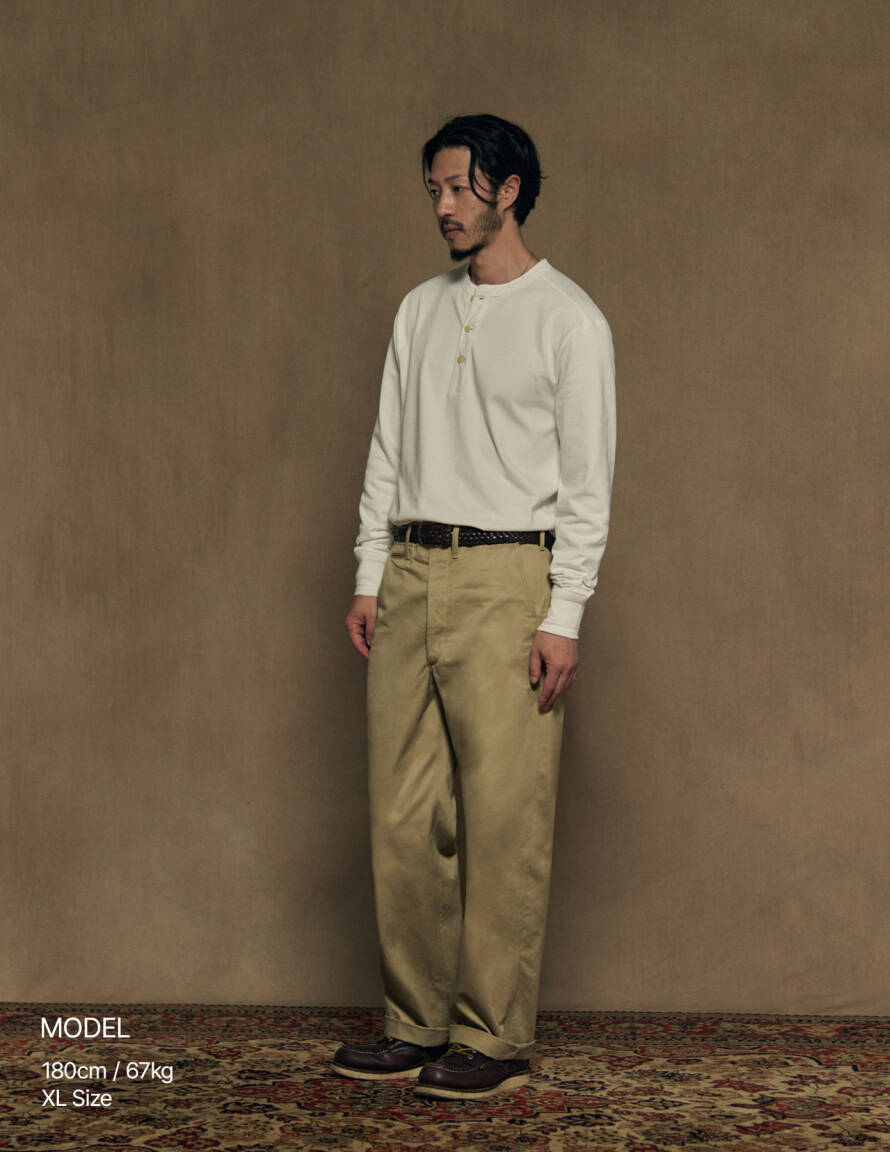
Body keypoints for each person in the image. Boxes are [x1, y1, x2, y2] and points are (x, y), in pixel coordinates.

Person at [332, 114, 616, 1099]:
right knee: (404, 814)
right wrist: (370, 573)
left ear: (509, 190)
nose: (444, 207)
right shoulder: (420, 310)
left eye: (459, 188)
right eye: (434, 191)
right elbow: (386, 450)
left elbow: (588, 485)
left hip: (509, 580)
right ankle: (414, 1022)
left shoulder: (569, 320)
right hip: (411, 574)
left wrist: (563, 615)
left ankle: (493, 1036)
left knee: (503, 815)